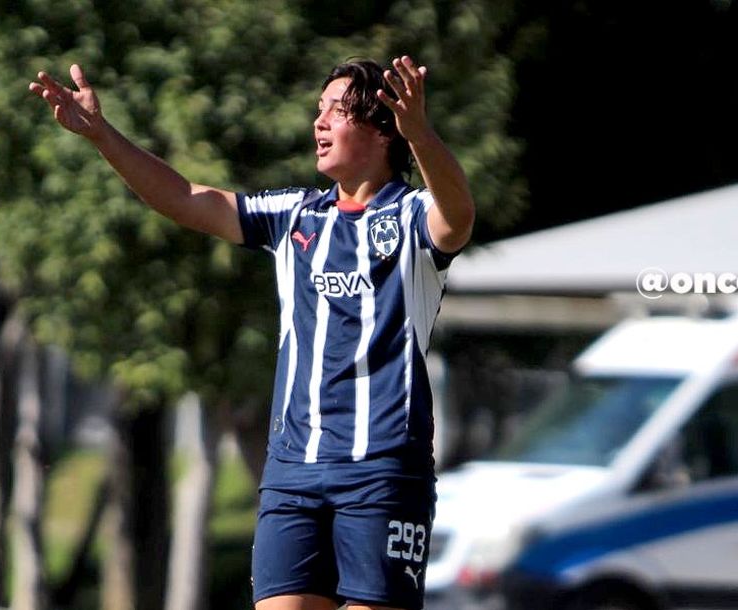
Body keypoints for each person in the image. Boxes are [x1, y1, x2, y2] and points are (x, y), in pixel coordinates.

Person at [30, 55, 475, 610]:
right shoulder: (294, 216)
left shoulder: (412, 218)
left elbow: (458, 216)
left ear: (384, 130)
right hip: (291, 472)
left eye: (336, 111)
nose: (318, 123)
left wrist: (423, 135)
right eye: (319, 110)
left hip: (381, 471)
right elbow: (187, 198)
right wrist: (102, 136)